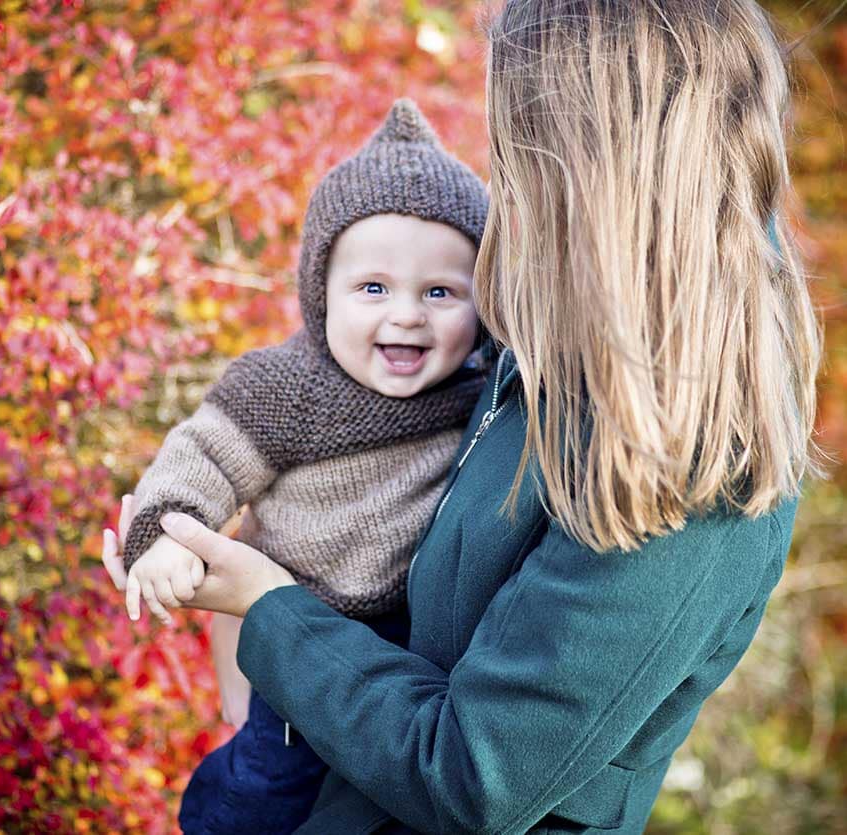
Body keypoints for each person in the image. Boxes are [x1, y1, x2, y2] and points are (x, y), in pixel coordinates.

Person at [103, 0, 824, 831]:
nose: (503, 185)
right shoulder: (538, 351)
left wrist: (268, 605)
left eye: (518, 154)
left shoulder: (692, 454)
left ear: (593, 175)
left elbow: (475, 776)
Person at [115, 98, 490, 834]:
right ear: (322, 294)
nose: (407, 315)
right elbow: (201, 460)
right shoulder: (285, 389)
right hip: (301, 641)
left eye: (440, 292)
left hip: (412, 662)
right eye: (373, 288)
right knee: (266, 791)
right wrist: (163, 538)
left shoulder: (480, 393)